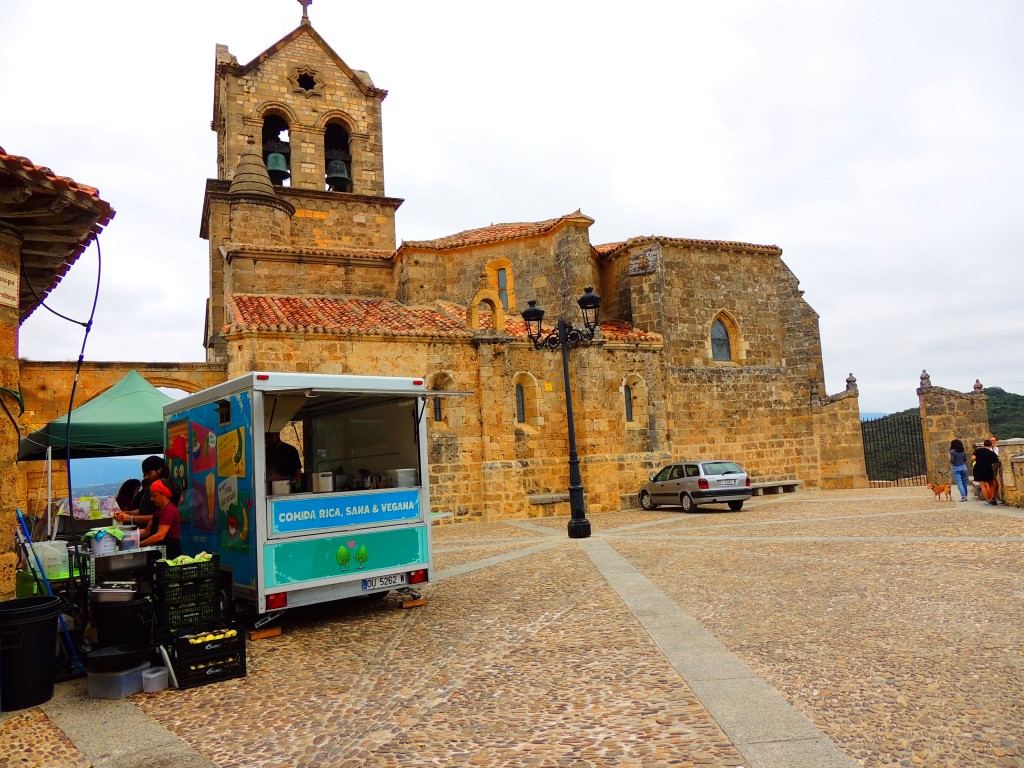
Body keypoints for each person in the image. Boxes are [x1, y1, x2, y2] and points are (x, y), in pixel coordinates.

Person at [113, 455, 171, 529]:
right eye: (144, 474)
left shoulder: (167, 488)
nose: (146, 477)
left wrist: (131, 518)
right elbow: (145, 509)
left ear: (159, 470)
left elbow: (160, 517)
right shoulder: (152, 486)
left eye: (149, 473)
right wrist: (127, 513)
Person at [139, 478, 182, 558]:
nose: (152, 499)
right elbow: (146, 531)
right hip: (159, 552)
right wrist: (130, 537)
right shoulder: (158, 511)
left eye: (154, 496)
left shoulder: (169, 510)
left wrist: (139, 545)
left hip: (169, 553)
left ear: (165, 494)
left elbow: (160, 536)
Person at [971, 439, 1001, 506]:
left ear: (984, 445)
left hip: (978, 468)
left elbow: (973, 458)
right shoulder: (991, 453)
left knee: (983, 485)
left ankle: (988, 500)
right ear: (990, 445)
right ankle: (993, 498)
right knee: (991, 484)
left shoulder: (978, 451)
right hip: (988, 469)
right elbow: (995, 460)